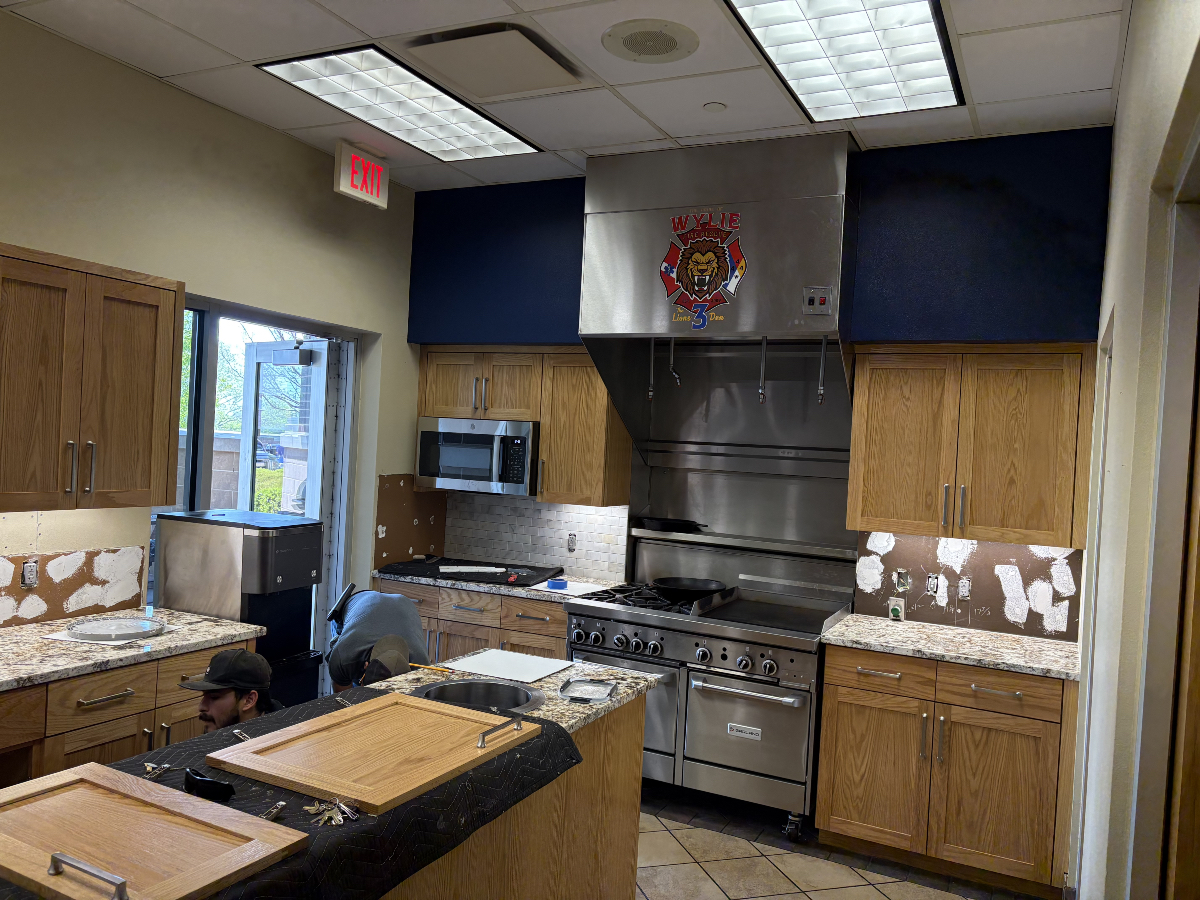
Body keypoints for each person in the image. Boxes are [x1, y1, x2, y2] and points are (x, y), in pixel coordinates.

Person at [327, 590, 429, 690]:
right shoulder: (343, 657)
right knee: (351, 684)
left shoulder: (421, 669)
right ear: (366, 666)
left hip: (403, 605)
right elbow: (342, 701)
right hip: (358, 602)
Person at [181, 648, 278, 733]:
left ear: (249, 700)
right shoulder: (224, 731)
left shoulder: (277, 745)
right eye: (204, 695)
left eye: (214, 697)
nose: (201, 707)